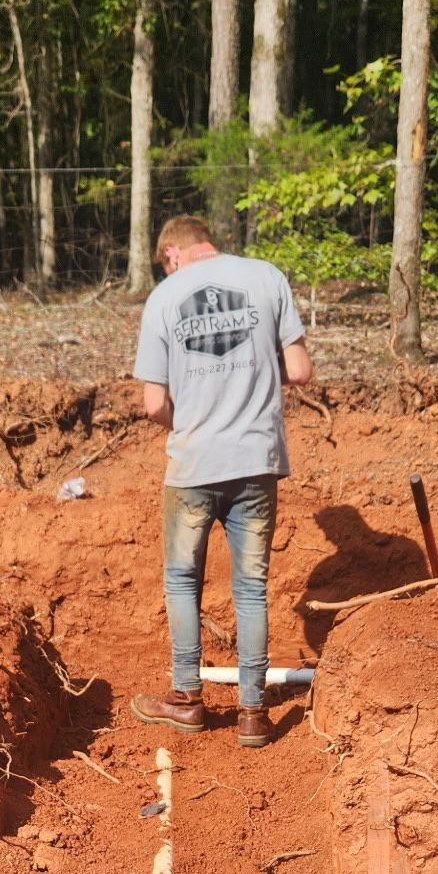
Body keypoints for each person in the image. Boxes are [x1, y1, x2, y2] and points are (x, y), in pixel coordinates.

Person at [129, 214, 314, 748]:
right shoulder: (266, 276)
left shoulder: (164, 297)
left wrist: (188, 420)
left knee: (183, 580)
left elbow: (153, 404)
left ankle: (186, 699)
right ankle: (254, 713)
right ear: (209, 242)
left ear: (172, 255)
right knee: (251, 588)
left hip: (193, 465)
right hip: (257, 460)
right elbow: (299, 371)